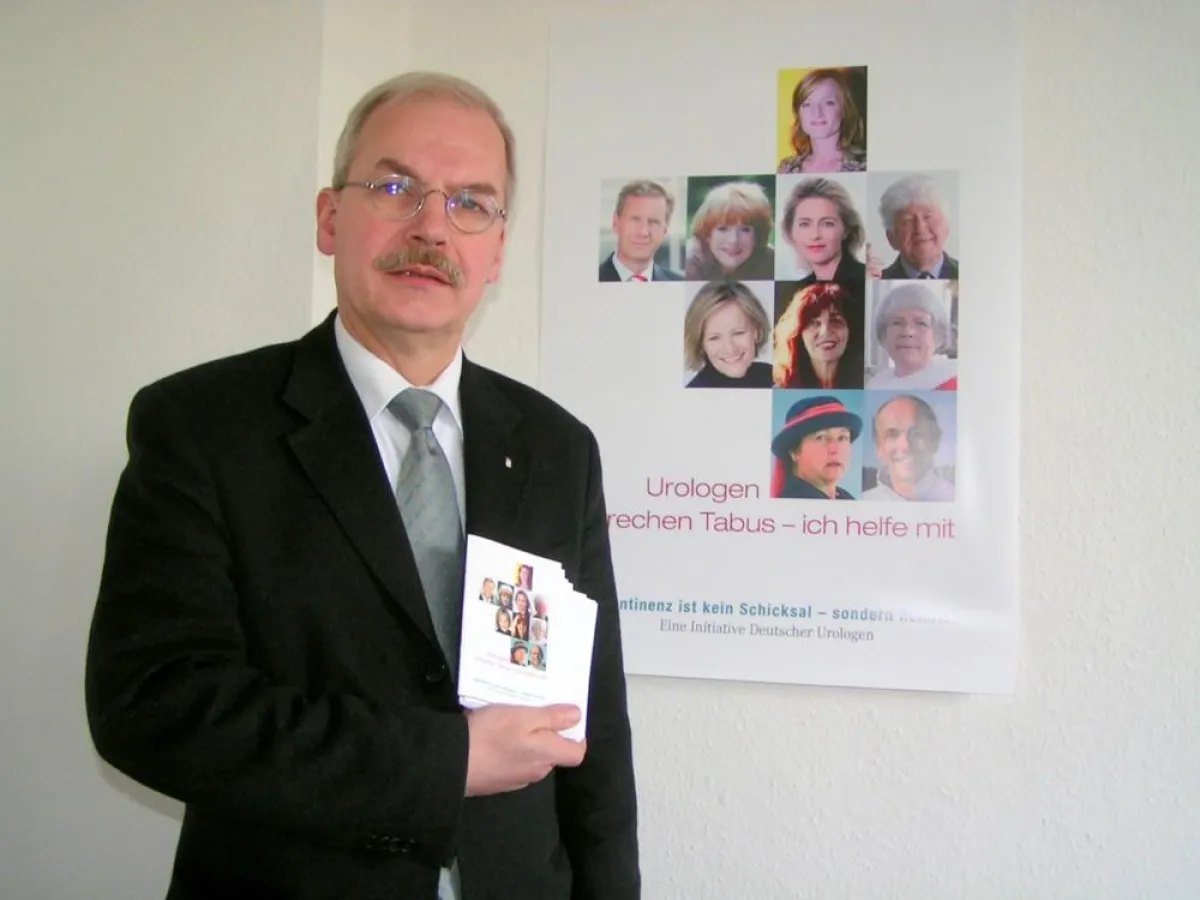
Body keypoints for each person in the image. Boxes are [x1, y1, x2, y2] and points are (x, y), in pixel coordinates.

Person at [84, 71, 640, 900]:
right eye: (395, 187)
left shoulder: (559, 447)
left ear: (496, 253)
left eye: (470, 204)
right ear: (328, 218)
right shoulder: (201, 426)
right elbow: (154, 705)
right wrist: (444, 764)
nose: (432, 228)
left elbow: (594, 730)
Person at [862, 395, 955, 502]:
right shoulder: (862, 502)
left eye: (917, 433)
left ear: (935, 440)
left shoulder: (954, 498)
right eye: (892, 435)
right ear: (879, 448)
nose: (905, 446)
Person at [772, 282, 864, 390]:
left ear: (850, 330)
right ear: (798, 334)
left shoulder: (868, 383)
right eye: (814, 323)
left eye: (835, 320)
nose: (825, 332)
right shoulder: (781, 390)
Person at [683, 280, 774, 388]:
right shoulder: (694, 394)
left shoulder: (774, 377)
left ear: (757, 331)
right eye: (714, 338)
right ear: (701, 344)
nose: (730, 349)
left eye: (738, 333)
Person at [867, 281, 958, 390]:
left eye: (921, 323)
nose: (908, 332)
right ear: (883, 332)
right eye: (897, 322)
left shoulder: (953, 384)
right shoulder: (876, 384)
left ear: (938, 334)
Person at [776, 68, 867, 174]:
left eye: (829, 103)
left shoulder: (865, 165)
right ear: (798, 114)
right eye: (807, 104)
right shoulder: (786, 169)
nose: (817, 113)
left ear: (845, 109)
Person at [770, 395, 862, 499]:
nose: (835, 450)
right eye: (821, 437)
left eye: (842, 437)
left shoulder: (846, 498)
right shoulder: (790, 503)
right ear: (794, 451)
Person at [778, 177, 866, 284]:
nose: (815, 235)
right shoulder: (797, 291)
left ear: (846, 229)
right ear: (790, 231)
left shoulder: (865, 278)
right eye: (804, 224)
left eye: (827, 224)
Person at [683, 181, 775, 281]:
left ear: (758, 235)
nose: (733, 240)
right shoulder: (687, 264)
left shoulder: (773, 262)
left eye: (745, 229)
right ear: (707, 234)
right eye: (723, 229)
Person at [875, 174, 959, 279]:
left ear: (946, 227)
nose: (920, 228)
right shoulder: (876, 279)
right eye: (908, 221)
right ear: (891, 238)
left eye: (928, 217)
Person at [599, 179, 682, 282]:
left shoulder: (678, 282)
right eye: (635, 219)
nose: (643, 232)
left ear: (665, 229)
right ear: (616, 223)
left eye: (653, 222)